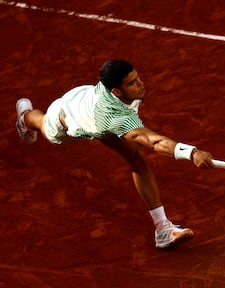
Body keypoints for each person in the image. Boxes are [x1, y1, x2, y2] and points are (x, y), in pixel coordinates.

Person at [15, 59, 214, 249]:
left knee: (138, 159)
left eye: (137, 78)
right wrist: (192, 153)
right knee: (41, 123)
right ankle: (24, 117)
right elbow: (154, 141)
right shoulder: (113, 117)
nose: (141, 85)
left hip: (93, 109)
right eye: (132, 83)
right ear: (117, 91)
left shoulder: (120, 90)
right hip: (66, 118)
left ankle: (163, 230)